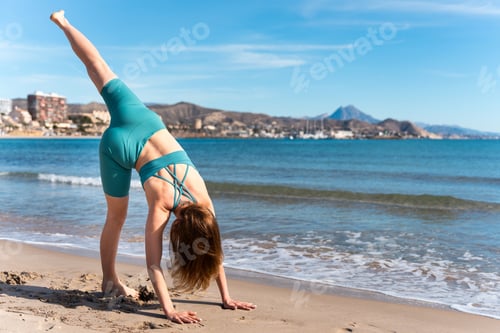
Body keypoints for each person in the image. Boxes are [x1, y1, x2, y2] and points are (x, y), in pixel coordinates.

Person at [50, 10, 255, 324]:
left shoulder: (203, 201)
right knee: (115, 218)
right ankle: (109, 282)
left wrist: (219, 298)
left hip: (144, 121)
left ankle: (62, 22)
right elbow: (156, 265)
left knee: (97, 66)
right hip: (118, 148)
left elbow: (203, 248)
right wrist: (170, 310)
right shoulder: (163, 204)